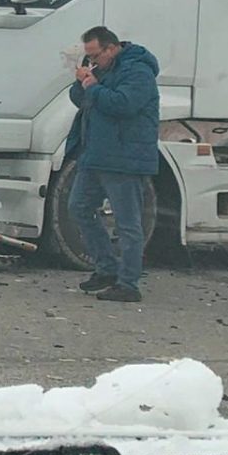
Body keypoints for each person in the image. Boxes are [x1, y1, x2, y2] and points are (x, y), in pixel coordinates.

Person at [65, 25, 161, 303]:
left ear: (111, 48)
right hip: (96, 154)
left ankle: (128, 283)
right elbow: (82, 101)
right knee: (78, 207)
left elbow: (124, 104)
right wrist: (81, 82)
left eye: (95, 56)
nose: (92, 61)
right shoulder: (104, 69)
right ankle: (106, 267)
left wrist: (93, 86)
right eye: (89, 57)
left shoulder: (138, 71)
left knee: (127, 223)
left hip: (124, 158)